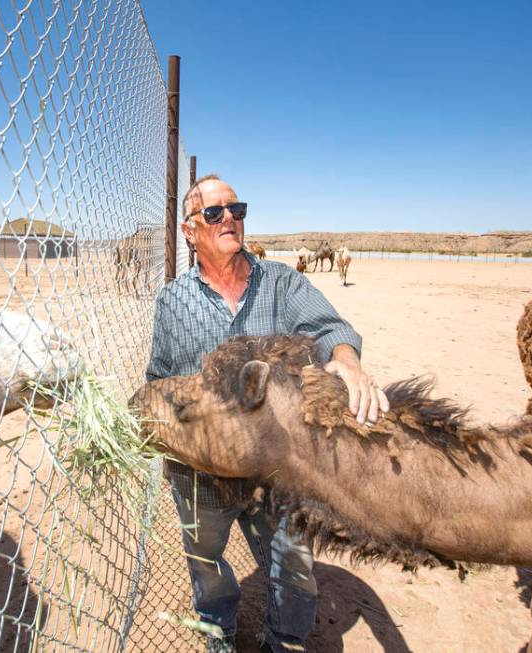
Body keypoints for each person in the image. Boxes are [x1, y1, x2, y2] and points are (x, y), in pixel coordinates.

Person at [145, 174, 388, 653]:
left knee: (295, 563)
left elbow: (331, 327)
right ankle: (220, 634)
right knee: (207, 563)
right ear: (190, 231)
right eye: (213, 213)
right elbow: (159, 375)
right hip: (201, 472)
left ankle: (284, 641)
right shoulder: (173, 302)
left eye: (236, 209)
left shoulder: (281, 282)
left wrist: (348, 361)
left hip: (277, 466)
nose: (229, 218)